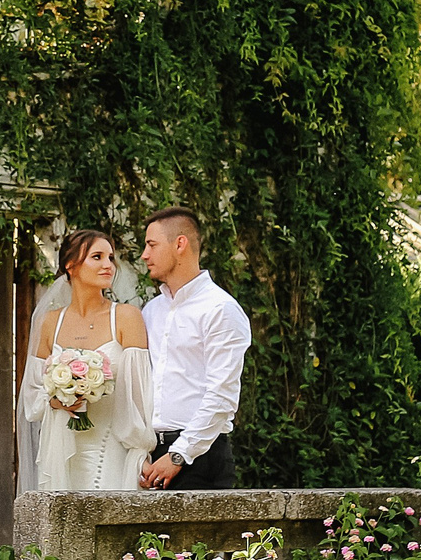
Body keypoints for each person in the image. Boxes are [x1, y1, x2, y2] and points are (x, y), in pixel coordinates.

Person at [18, 228, 156, 491]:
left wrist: (140, 453)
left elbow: (139, 397)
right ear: (71, 265)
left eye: (110, 258)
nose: (108, 265)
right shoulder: (50, 323)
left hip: (112, 452)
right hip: (60, 455)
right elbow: (32, 398)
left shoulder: (126, 317)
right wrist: (56, 400)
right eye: (97, 257)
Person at [137, 205, 251, 490]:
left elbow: (222, 396)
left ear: (180, 244)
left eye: (151, 245)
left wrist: (178, 454)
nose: (144, 255)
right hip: (150, 460)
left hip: (201, 458)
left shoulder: (220, 309)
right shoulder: (150, 311)